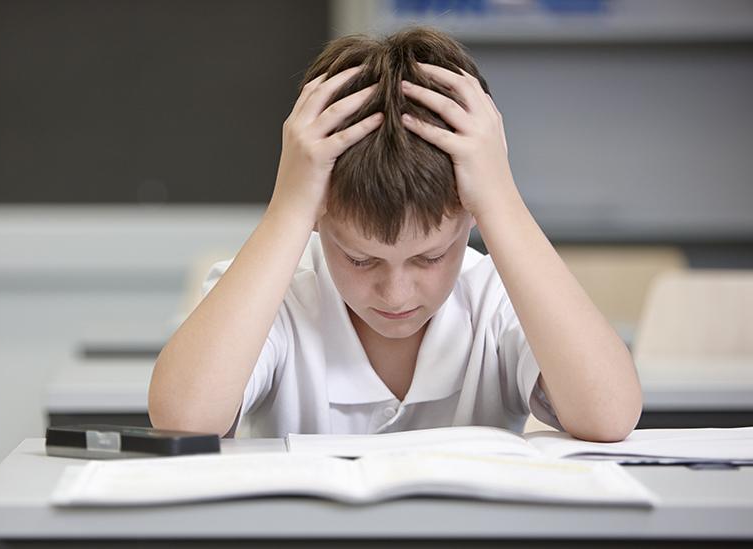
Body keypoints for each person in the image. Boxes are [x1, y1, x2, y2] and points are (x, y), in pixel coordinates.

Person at [148, 27, 642, 441]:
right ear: (317, 220)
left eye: (430, 258)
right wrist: (288, 208)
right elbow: (183, 422)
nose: (397, 293)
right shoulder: (276, 294)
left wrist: (501, 200)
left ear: (472, 216)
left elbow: (610, 413)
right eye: (361, 260)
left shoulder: (499, 295)